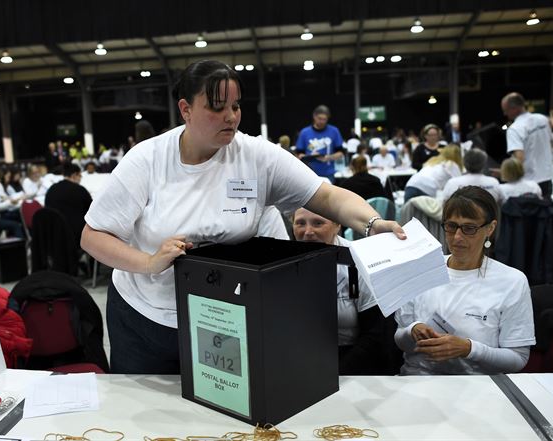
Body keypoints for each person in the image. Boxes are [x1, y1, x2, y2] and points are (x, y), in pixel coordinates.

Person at [81, 60, 405, 375]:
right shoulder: (146, 161)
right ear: (185, 109)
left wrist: (373, 223)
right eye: (217, 107)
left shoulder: (256, 156)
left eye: (235, 106)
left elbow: (327, 196)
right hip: (146, 320)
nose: (230, 117)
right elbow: (93, 237)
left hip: (224, 318)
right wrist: (149, 262)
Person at [394, 186, 535, 375]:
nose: (457, 237)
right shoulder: (421, 270)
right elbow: (399, 340)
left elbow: (518, 359)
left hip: (479, 388)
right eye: (451, 226)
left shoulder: (512, 282)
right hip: (418, 379)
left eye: (469, 228)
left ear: (490, 229)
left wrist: (469, 349)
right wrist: (412, 330)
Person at [293, 207, 401, 375]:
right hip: (303, 359)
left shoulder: (360, 260)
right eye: (300, 223)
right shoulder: (284, 261)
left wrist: (334, 375)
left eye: (318, 223)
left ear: (338, 225)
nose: (308, 232)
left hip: (355, 361)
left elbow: (375, 335)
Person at [501, 92, 553, 198]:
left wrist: (505, 172)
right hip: (547, 178)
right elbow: (551, 142)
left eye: (505, 110)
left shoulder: (515, 128)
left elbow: (519, 158)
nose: (505, 114)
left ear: (514, 108)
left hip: (529, 183)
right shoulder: (542, 119)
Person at [45, 163, 93, 248]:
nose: (80, 178)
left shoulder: (51, 189)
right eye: (80, 176)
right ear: (74, 175)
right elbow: (92, 212)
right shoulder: (80, 190)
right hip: (75, 236)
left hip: (53, 234)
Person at [295, 105, 345, 182]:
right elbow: (298, 154)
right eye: (319, 119)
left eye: (324, 119)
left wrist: (328, 157)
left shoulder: (334, 131)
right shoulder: (304, 132)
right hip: (309, 173)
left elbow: (341, 152)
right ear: (314, 116)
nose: (322, 121)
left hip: (328, 173)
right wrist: (307, 156)